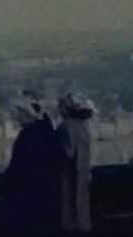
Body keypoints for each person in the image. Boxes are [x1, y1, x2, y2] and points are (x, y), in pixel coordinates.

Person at [2, 94, 59, 236]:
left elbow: (20, 166)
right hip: (41, 194)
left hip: (28, 194)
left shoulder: (30, 136)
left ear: (27, 114)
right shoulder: (45, 131)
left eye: (19, 113)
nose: (16, 117)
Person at [55, 93, 95, 235]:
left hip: (67, 174)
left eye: (60, 106)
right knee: (81, 202)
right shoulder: (84, 128)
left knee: (68, 204)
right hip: (82, 172)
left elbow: (67, 152)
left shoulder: (65, 127)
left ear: (66, 109)